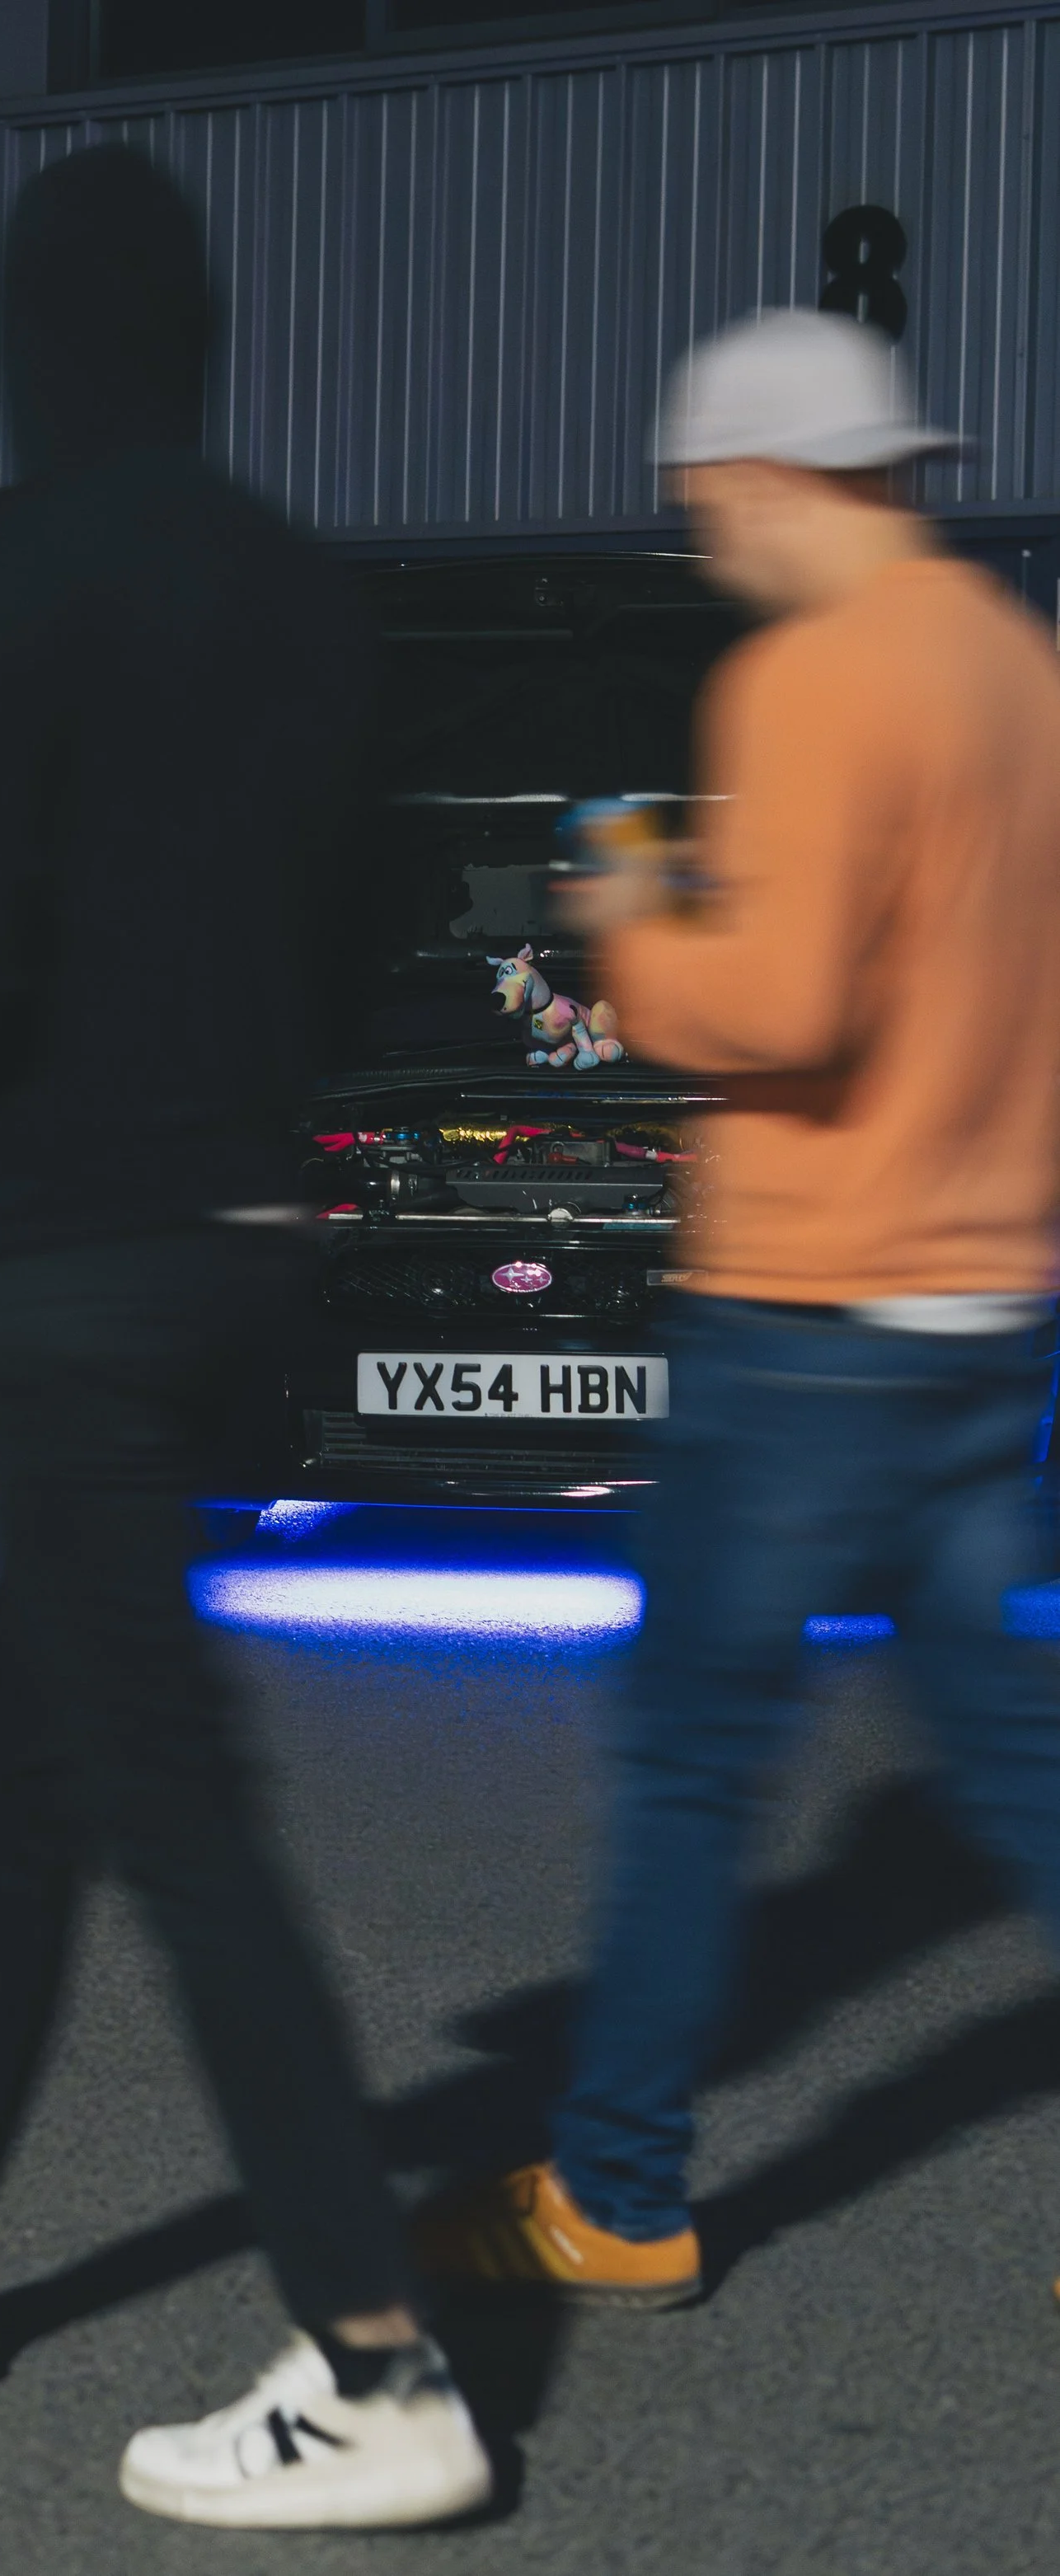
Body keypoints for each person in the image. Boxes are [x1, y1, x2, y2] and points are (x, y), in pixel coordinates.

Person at [0, 146, 490, 2533]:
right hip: (238, 1235)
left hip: (60, 1250)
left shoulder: (2, 563)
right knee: (42, 1747)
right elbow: (385, 911)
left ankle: (375, 2358)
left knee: (165, 1798)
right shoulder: (303, 590)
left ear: (26, 341)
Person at [416, 308, 1060, 2308]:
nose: (710, 551)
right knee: (1018, 1753)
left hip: (804, 1311)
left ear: (787, 479)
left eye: (711, 510)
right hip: (989, 1300)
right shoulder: (1019, 667)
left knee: (697, 1761)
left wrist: (627, 908)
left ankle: (615, 2192)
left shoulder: (808, 678)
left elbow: (770, 1010)